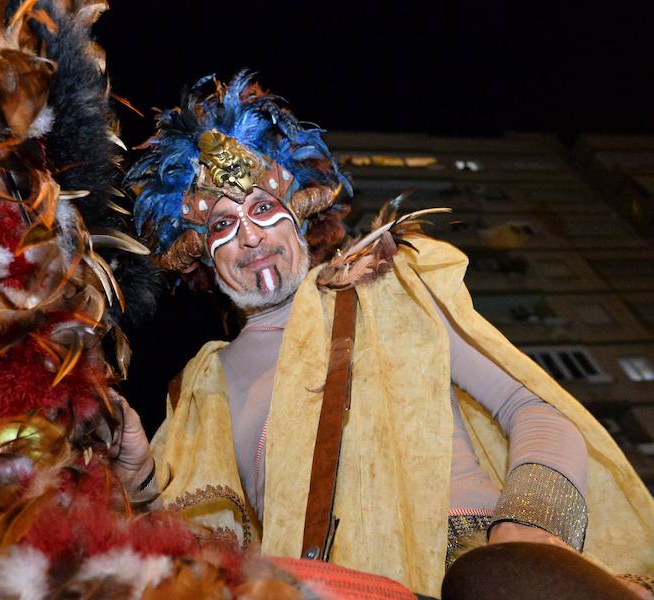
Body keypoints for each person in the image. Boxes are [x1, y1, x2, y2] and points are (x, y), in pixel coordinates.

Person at [115, 72, 654, 597]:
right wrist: (139, 481)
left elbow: (531, 408)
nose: (250, 236)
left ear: (299, 218)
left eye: (261, 208)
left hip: (479, 567)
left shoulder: (386, 285)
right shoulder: (201, 385)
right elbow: (190, 559)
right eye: (222, 225)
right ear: (205, 256)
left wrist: (525, 537)